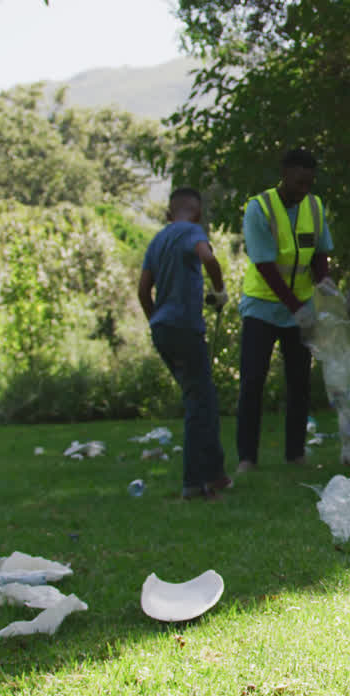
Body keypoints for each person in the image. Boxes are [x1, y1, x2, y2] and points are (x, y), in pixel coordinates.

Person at [234, 148, 337, 473]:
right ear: (285, 175)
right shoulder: (259, 208)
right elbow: (264, 263)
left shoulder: (315, 207)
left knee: (299, 383)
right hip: (262, 307)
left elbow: (321, 254)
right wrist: (295, 308)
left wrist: (325, 288)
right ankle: (247, 458)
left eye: (309, 183)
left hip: (302, 307)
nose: (304, 189)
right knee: (252, 381)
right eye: (298, 182)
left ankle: (296, 454)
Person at [137, 187, 233, 500]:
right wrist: (219, 291)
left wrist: (156, 320)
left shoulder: (158, 240)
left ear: (167, 214)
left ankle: (216, 474)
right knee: (199, 403)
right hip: (186, 327)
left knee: (203, 397)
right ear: (199, 214)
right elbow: (209, 258)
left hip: (162, 327)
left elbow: (142, 290)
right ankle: (195, 483)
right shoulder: (192, 231)